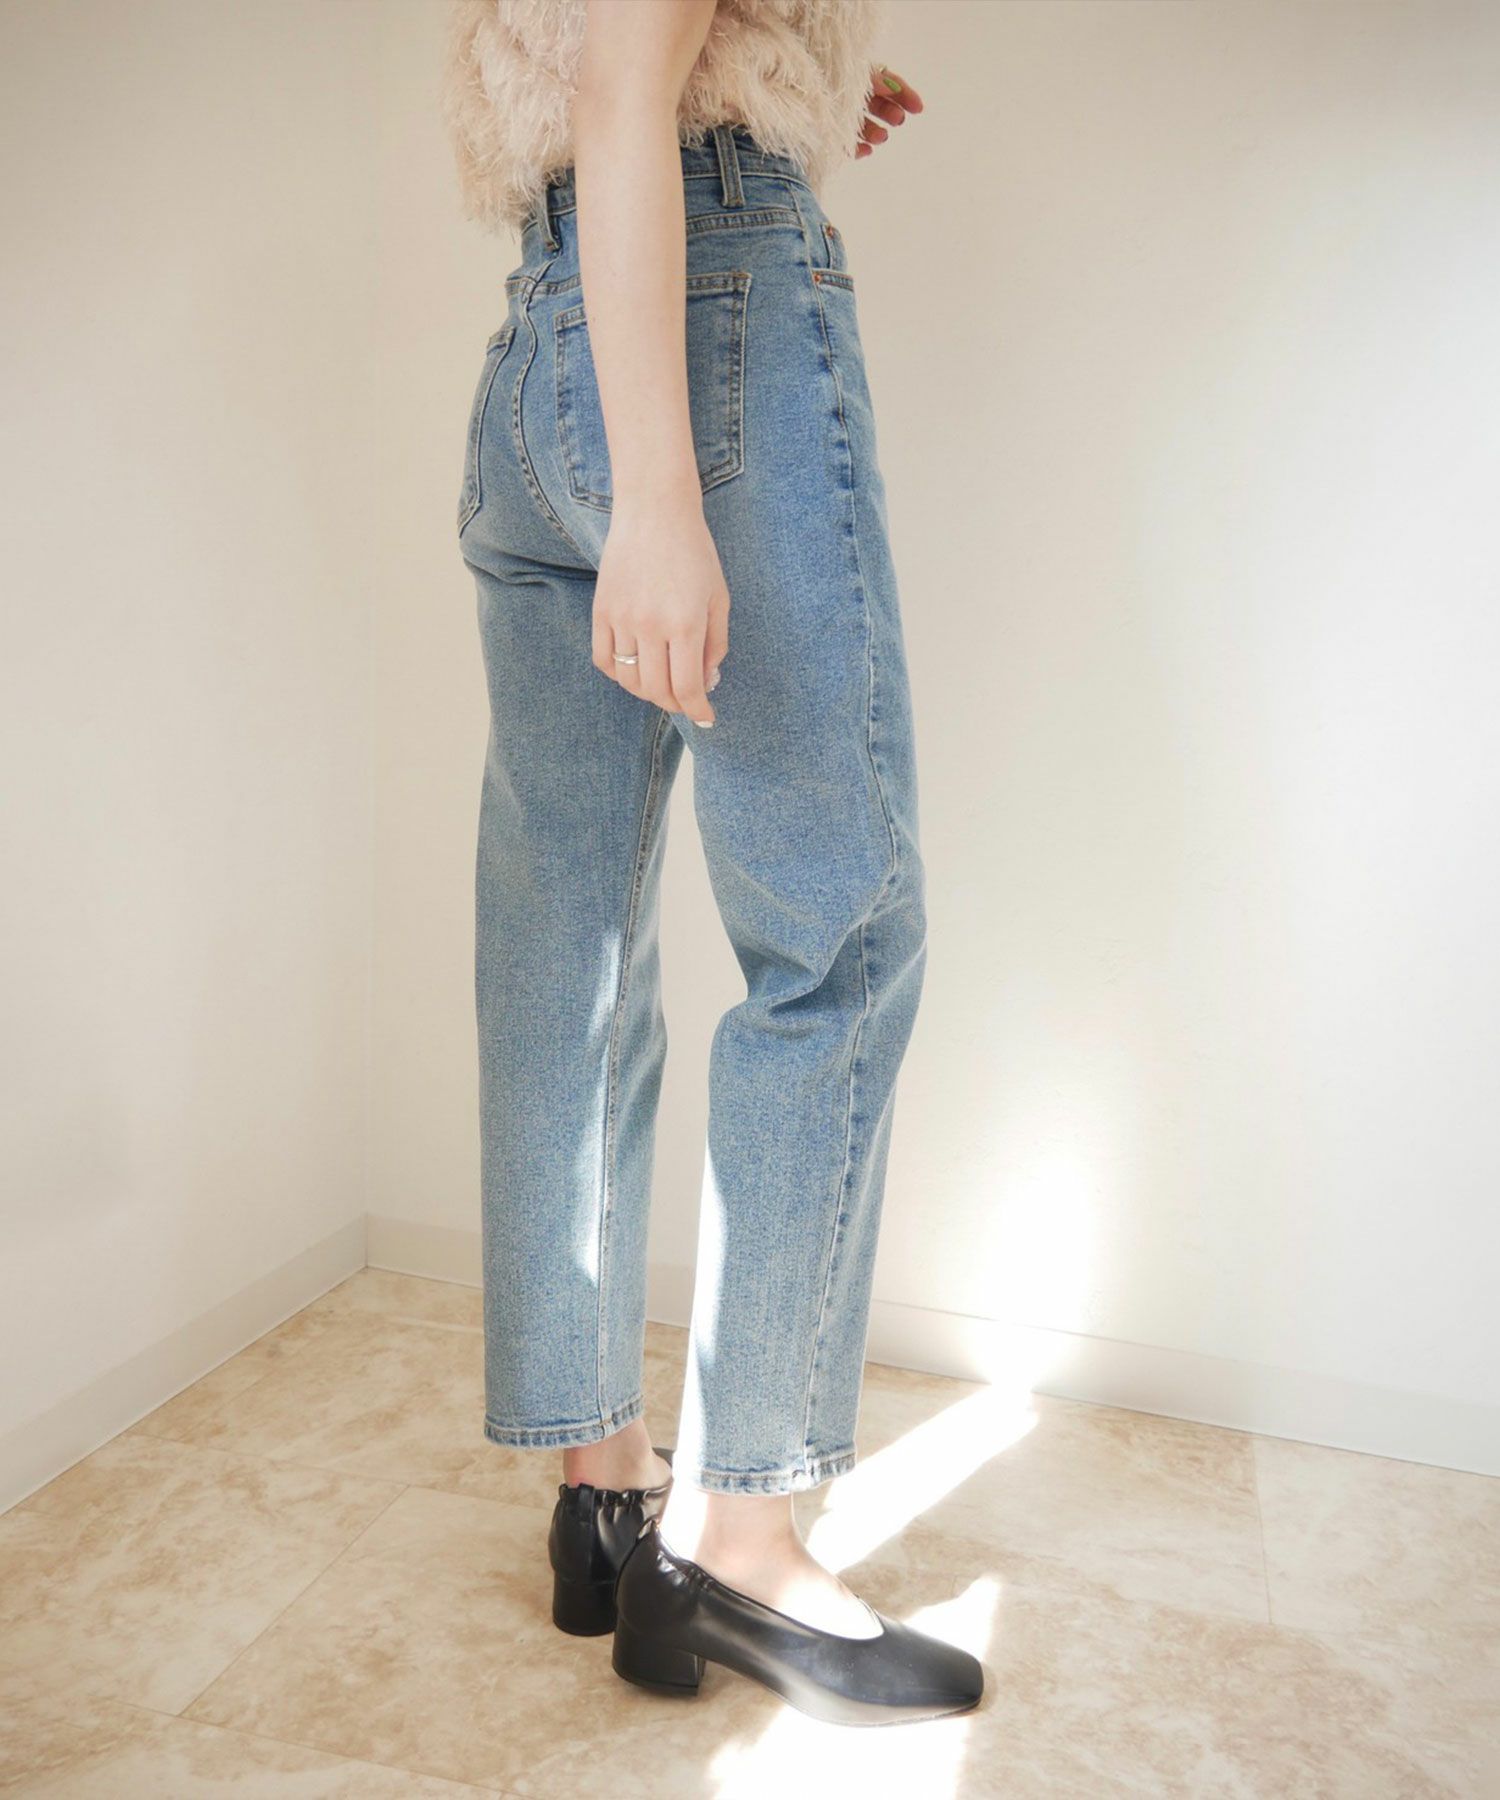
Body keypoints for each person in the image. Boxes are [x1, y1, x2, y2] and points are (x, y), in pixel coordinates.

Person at [445, 0, 982, 1725]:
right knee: (835, 938)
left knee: (567, 949)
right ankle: (742, 1542)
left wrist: (794, 68)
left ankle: (603, 1491)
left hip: (548, 328)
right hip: (705, 301)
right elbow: (630, 81)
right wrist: (663, 508)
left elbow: (610, 58)